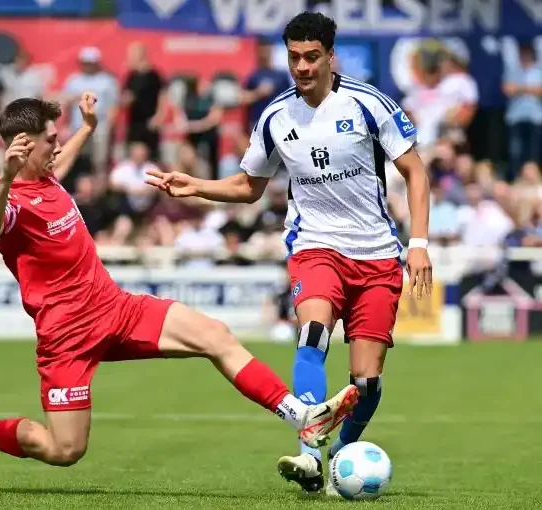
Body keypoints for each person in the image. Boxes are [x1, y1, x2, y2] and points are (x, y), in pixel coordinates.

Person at [0, 94, 358, 467]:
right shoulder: (9, 199)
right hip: (67, 336)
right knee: (63, 450)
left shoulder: (47, 175)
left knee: (215, 335)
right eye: (51, 139)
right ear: (24, 146)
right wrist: (7, 178)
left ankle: (303, 418)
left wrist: (89, 128)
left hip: (114, 308)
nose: (57, 145)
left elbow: (59, 163)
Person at [145, 11, 432, 496]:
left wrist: (420, 244)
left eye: (311, 56)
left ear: (330, 55)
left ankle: (344, 452)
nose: (301, 66)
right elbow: (248, 186)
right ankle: (308, 456)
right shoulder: (276, 116)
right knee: (313, 333)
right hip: (316, 247)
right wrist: (194, 186)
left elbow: (416, 172)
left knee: (366, 383)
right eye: (294, 56)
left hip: (378, 256)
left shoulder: (368, 104)